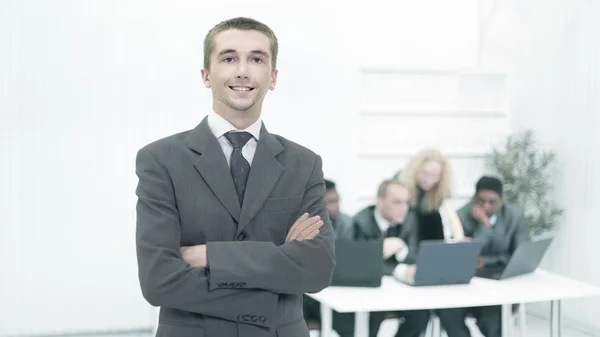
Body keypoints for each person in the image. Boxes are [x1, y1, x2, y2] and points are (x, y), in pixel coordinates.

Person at [134, 17, 335, 337]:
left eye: (257, 59)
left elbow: (316, 270)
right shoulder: (161, 161)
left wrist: (210, 255)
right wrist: (279, 263)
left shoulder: (304, 164)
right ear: (206, 75)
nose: (242, 70)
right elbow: (159, 280)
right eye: (229, 58)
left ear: (273, 77)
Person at [331, 180, 430, 337]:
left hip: (399, 291)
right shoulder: (360, 222)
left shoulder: (409, 220)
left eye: (406, 202)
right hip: (370, 294)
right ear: (380, 202)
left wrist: (401, 249)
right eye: (397, 202)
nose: (403, 208)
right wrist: (397, 269)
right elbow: (360, 265)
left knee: (421, 314)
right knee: (374, 314)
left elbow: (414, 257)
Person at [435, 176, 531, 337]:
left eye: (492, 202)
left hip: (500, 283)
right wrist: (484, 226)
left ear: (501, 200)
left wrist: (487, 260)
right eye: (481, 201)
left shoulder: (515, 216)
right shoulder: (461, 216)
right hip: (465, 285)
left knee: (492, 321)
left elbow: (521, 255)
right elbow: (461, 255)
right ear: (474, 198)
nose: (486, 206)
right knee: (448, 313)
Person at [396, 148, 467, 336]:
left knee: (452, 315)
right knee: (418, 317)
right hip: (408, 260)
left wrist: (460, 241)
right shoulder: (401, 188)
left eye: (435, 175)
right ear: (415, 170)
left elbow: (453, 220)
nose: (429, 179)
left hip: (433, 258)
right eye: (425, 173)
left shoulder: (439, 193)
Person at [303, 179, 353, 328]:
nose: (337, 206)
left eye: (338, 200)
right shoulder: (304, 226)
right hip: (312, 293)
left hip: (340, 289)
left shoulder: (347, 224)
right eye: (331, 202)